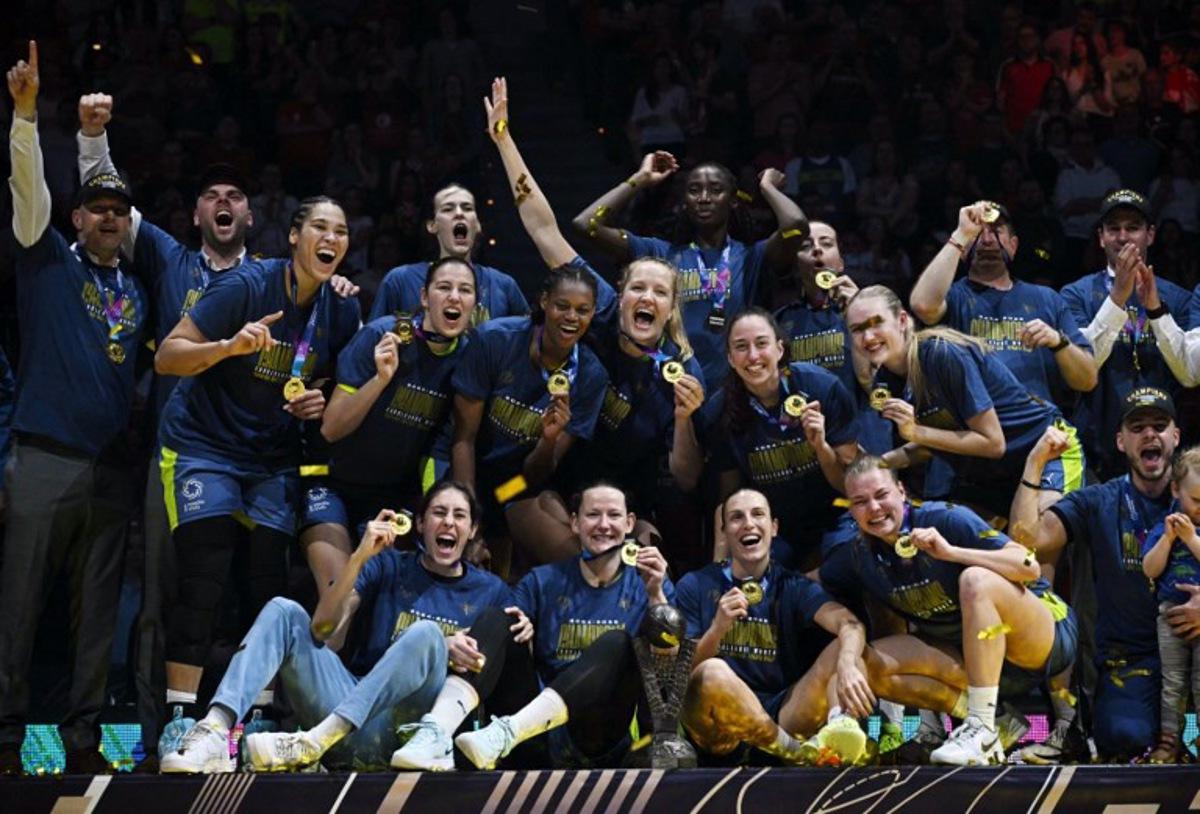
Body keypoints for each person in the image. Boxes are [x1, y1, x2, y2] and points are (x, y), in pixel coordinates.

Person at [154, 196, 362, 746]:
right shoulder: (245, 286)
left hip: (271, 456)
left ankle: (258, 719)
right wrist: (228, 346)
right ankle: (179, 720)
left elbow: (325, 385)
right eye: (319, 226)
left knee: (268, 584)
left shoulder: (340, 310)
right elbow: (168, 356)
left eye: (340, 231)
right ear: (294, 236)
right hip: (204, 445)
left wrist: (314, 400)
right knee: (205, 574)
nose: (331, 238)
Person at [0, 41, 149, 775]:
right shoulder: (46, 257)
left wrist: (100, 140)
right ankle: (4, 738)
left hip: (108, 473)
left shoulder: (139, 290)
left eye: (119, 209)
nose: (110, 217)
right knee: (19, 607)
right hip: (43, 460)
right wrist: (25, 118)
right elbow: (29, 190)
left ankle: (85, 743)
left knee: (95, 618)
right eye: (98, 207)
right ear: (77, 216)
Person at [481, 77, 703, 558]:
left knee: (646, 557)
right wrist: (504, 140)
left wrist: (685, 420)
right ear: (619, 297)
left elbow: (686, 476)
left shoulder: (681, 371)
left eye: (659, 292)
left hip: (630, 506)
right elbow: (543, 226)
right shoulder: (594, 307)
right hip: (545, 482)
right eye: (637, 287)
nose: (646, 297)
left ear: (670, 309)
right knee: (510, 502)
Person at [159, 482, 517, 772]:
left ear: (472, 530)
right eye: (439, 513)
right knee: (284, 610)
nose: (449, 523)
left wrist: (444, 649)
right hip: (344, 708)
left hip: (408, 735)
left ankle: (315, 739)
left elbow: (493, 673)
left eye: (459, 516)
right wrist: (360, 556)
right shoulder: (389, 566)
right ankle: (216, 730)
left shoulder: (493, 591)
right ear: (420, 524)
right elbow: (322, 629)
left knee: (425, 636)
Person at [821, 455, 1078, 766]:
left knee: (975, 581)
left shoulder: (945, 518)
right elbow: (810, 586)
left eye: (881, 495)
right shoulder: (859, 556)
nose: (873, 508)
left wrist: (952, 553)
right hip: (972, 659)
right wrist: (847, 661)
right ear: (851, 510)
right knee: (866, 666)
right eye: (860, 501)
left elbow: (1029, 566)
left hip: (1039, 639)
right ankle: (997, 722)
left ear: (901, 491)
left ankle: (980, 729)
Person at [449, 81, 609, 571]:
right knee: (479, 522)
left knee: (526, 511)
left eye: (582, 312)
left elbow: (540, 471)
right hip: (467, 464)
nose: (573, 318)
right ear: (543, 301)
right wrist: (503, 139)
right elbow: (542, 225)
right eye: (563, 307)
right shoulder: (497, 341)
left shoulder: (593, 371)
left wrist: (547, 437)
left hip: (521, 479)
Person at [1009, 387, 1200, 761]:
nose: (1150, 435)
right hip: (1133, 661)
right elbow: (1026, 538)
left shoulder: (1198, 494)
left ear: (1176, 436)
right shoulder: (1098, 501)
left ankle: (1185, 733)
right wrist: (1035, 462)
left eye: (1160, 426)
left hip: (1195, 642)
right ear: (1120, 441)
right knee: (1123, 738)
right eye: (1138, 427)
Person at [439, 482, 676, 770]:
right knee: (499, 618)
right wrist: (518, 626)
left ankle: (506, 732)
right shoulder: (541, 580)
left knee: (619, 642)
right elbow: (496, 639)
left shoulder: (652, 584)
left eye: (613, 515)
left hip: (599, 733)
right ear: (575, 523)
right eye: (592, 515)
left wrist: (656, 595)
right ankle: (438, 734)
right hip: (537, 735)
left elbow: (668, 671)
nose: (603, 525)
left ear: (629, 524)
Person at [301, 257, 478, 632]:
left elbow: (446, 447)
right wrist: (381, 380)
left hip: (390, 498)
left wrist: (442, 509)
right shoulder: (382, 336)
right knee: (338, 602)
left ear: (474, 305)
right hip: (329, 483)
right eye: (444, 287)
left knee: (384, 608)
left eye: (465, 290)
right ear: (424, 296)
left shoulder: (469, 356)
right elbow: (331, 427)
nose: (454, 297)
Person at [677, 488, 881, 767]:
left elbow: (849, 623)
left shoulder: (792, 585)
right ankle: (796, 754)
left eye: (757, 514)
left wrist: (846, 663)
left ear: (773, 528)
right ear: (724, 533)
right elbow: (681, 672)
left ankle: (839, 729)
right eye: (737, 517)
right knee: (713, 672)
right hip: (722, 733)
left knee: (846, 647)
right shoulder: (695, 585)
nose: (748, 523)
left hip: (783, 714)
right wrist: (717, 629)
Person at [845, 285, 1083, 523]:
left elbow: (993, 443)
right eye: (857, 329)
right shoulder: (886, 381)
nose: (868, 336)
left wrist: (916, 432)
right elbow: (935, 443)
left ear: (903, 320)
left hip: (1049, 448)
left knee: (1034, 541)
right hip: (993, 476)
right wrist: (879, 464)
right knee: (950, 533)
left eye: (876, 323)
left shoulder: (941, 354)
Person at [572, 151, 806, 388]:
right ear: (684, 202)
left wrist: (767, 188)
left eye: (716, 190)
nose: (704, 197)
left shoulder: (751, 257)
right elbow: (587, 224)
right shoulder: (660, 254)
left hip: (734, 396)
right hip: (669, 389)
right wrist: (639, 179)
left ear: (733, 200)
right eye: (694, 190)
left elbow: (795, 225)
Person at [709, 308, 859, 569]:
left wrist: (821, 447)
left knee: (846, 557)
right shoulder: (720, 411)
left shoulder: (821, 388)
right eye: (741, 347)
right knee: (757, 572)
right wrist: (721, 564)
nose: (753, 356)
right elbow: (730, 495)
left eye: (761, 343)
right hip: (774, 527)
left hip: (834, 515)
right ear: (731, 359)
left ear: (779, 349)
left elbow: (849, 486)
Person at [1060, 189, 1194, 481]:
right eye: (1114, 228)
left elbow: (1188, 373)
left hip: (1160, 444)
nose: (1123, 237)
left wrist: (1156, 311)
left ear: (1150, 235)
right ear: (1101, 237)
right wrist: (1118, 298)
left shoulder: (1179, 298)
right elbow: (1084, 366)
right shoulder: (1074, 295)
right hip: (1095, 444)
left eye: (1133, 228)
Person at [909, 200, 1097, 404]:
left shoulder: (1047, 299)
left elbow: (1087, 380)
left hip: (1040, 429)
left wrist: (1058, 342)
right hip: (977, 430)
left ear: (1014, 245)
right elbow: (923, 305)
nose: (987, 240)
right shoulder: (953, 297)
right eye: (978, 233)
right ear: (962, 249)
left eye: (997, 231)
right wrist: (961, 235)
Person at [368, 183, 527, 326]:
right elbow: (372, 341)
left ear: (478, 225)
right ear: (432, 225)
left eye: (467, 208)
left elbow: (530, 344)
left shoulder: (503, 285)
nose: (459, 214)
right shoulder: (400, 280)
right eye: (448, 209)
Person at [1140, 446, 1200, 762]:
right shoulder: (1164, 527)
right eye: (1197, 501)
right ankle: (1169, 741)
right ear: (1176, 489)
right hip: (1169, 616)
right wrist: (1168, 539)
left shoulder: (1192, 532)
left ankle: (1197, 740)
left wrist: (1191, 538)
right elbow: (1150, 569)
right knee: (1173, 683)